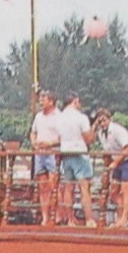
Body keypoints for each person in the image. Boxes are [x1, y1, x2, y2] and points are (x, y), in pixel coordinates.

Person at [93, 108, 128, 227]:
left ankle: (124, 219)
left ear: (109, 119)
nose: (102, 124)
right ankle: (120, 219)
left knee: (125, 189)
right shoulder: (101, 134)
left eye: (104, 120)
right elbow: (108, 151)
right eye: (99, 122)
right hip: (118, 160)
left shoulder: (117, 130)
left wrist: (115, 163)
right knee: (113, 192)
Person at [57, 92, 96, 226]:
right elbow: (89, 139)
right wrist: (93, 128)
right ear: (74, 102)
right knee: (84, 188)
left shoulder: (59, 118)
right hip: (79, 153)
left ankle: (70, 220)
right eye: (78, 102)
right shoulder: (81, 118)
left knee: (68, 188)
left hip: (66, 153)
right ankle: (89, 219)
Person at [29, 89, 63, 225]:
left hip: (53, 152)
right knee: (43, 186)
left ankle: (58, 215)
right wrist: (34, 143)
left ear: (51, 101)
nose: (41, 101)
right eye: (41, 99)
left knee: (53, 184)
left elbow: (63, 137)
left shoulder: (59, 116)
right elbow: (33, 132)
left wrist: (50, 143)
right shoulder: (38, 117)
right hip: (40, 153)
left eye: (44, 99)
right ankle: (45, 216)